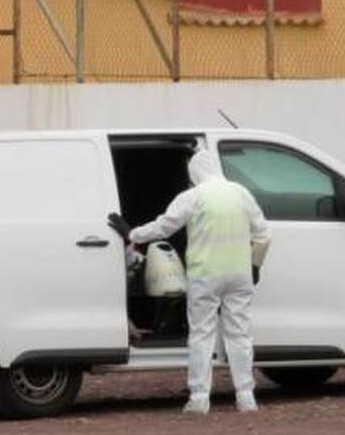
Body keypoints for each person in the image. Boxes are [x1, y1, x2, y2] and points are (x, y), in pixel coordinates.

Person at [108, 149, 271, 415]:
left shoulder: (193, 196)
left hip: (205, 275)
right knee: (240, 334)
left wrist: (132, 234)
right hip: (239, 275)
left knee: (202, 335)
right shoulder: (241, 193)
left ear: (194, 173)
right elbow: (264, 234)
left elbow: (164, 226)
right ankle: (246, 397)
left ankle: (199, 398)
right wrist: (255, 264)